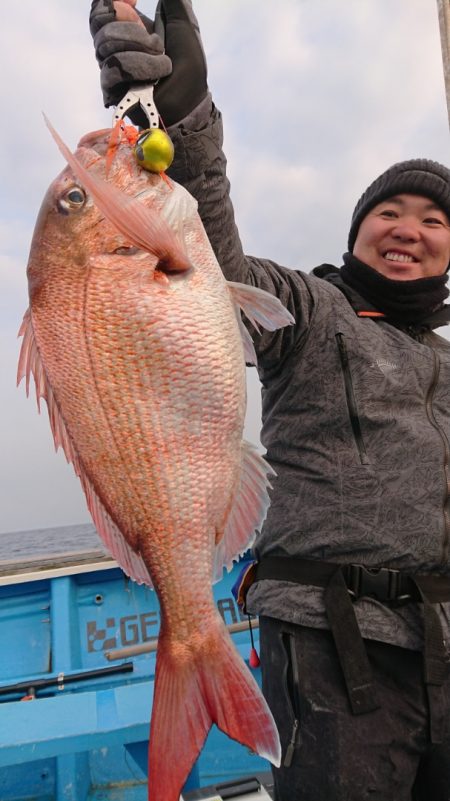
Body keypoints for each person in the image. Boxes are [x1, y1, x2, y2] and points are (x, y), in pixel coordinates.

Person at [89, 2, 450, 799]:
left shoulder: (443, 360)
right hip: (334, 648)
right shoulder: (307, 309)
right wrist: (178, 113)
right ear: (356, 234)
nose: (409, 228)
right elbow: (207, 245)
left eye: (433, 219)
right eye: (388, 212)